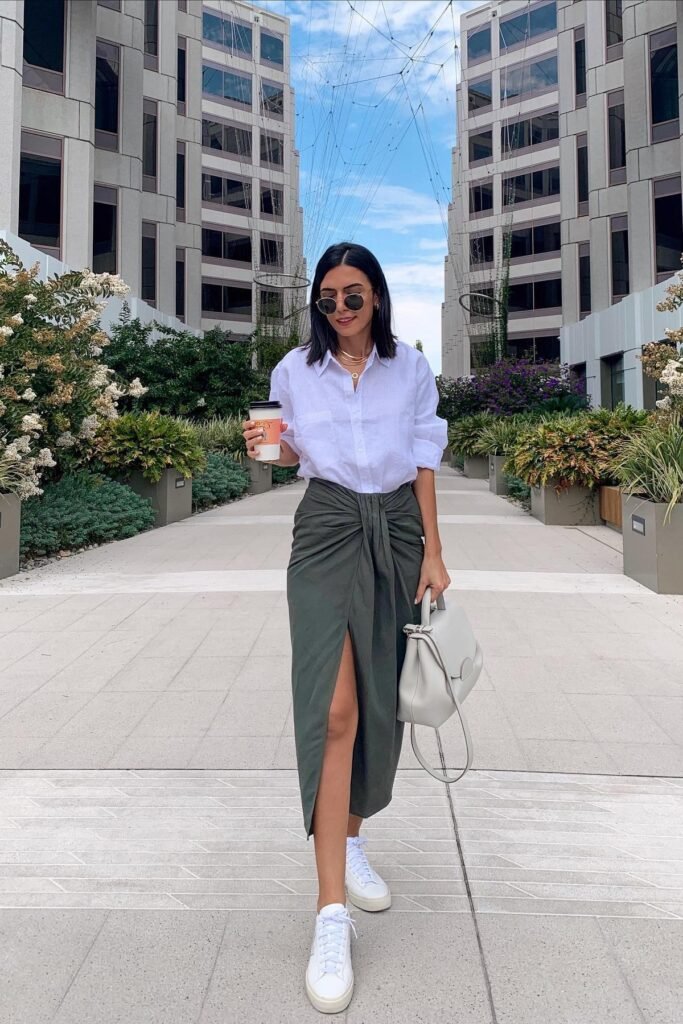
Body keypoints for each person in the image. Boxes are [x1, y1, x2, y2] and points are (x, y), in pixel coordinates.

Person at [242, 242, 449, 1015]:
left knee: (376, 699)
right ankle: (330, 914)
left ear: (377, 298)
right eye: (326, 299)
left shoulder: (410, 369)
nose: (338, 311)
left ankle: (352, 834)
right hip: (326, 525)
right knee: (330, 709)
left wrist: (433, 549)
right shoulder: (294, 370)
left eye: (351, 296)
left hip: (395, 526)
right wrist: (272, 448)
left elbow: (423, 456)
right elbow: (291, 450)